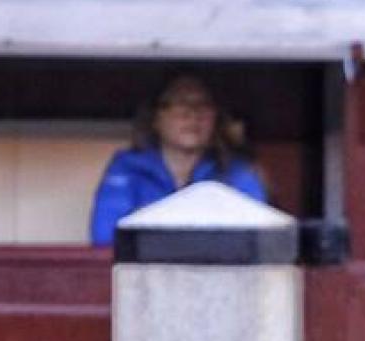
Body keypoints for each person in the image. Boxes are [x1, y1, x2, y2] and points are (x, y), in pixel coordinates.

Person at [89, 74, 266, 246]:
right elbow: (106, 239)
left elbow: (259, 241)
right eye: (180, 103)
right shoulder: (127, 169)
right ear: (156, 117)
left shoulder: (238, 173)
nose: (193, 115)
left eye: (203, 104)